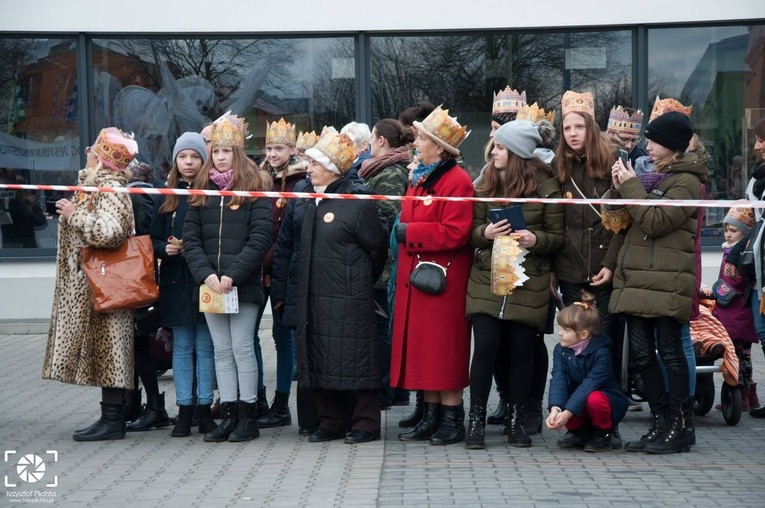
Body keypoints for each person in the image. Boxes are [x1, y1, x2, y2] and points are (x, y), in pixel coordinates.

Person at [610, 110, 706, 453]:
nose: (647, 146)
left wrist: (630, 185)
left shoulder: (687, 181)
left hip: (667, 281)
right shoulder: (657, 178)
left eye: (652, 140)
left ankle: (681, 427)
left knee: (669, 353)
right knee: (640, 355)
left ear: (671, 145)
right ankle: (661, 420)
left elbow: (654, 221)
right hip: (639, 278)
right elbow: (634, 220)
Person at [465, 120, 563, 449]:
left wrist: (536, 238)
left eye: (501, 147)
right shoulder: (484, 183)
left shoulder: (547, 187)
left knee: (522, 352)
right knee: (485, 350)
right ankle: (475, 421)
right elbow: (472, 232)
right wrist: (486, 234)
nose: (494, 151)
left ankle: (518, 421)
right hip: (487, 279)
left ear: (519, 153)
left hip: (529, 281)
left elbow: (557, 238)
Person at [43, 127, 139, 441]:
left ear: (102, 158)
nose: (87, 152)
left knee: (109, 350)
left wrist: (74, 216)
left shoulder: (110, 189)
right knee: (102, 350)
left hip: (104, 283)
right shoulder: (95, 186)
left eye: (93, 149)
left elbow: (110, 233)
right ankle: (110, 416)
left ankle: (114, 420)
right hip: (92, 284)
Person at [183, 113, 273, 443]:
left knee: (241, 347)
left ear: (238, 153)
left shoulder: (255, 187)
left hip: (242, 284)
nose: (220, 157)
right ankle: (230, 415)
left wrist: (232, 275)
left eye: (227, 151)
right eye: (216, 151)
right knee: (221, 350)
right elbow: (190, 238)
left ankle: (249, 416)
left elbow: (260, 238)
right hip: (210, 285)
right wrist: (206, 274)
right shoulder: (201, 190)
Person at [294, 132, 388, 444]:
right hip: (314, 293)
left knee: (356, 358)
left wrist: (356, 280)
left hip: (350, 296)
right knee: (320, 356)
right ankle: (330, 421)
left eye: (315, 163)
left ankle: (365, 423)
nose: (309, 169)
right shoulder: (311, 200)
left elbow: (377, 248)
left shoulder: (356, 202)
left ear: (334, 168)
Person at [391, 105, 474, 446]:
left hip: (443, 280)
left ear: (439, 148)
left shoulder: (457, 181)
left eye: (422, 138)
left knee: (444, 352)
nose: (416, 143)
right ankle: (432, 415)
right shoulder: (422, 175)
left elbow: (456, 231)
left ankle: (452, 420)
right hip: (421, 277)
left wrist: (409, 232)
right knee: (426, 351)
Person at [554, 90, 626, 428]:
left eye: (578, 126)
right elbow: (555, 222)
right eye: (567, 128)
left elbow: (622, 224)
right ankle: (576, 420)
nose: (572, 134)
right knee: (572, 350)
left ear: (591, 128)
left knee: (602, 348)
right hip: (570, 270)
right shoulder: (558, 167)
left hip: (603, 272)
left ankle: (606, 420)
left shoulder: (613, 163)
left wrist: (610, 265)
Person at [150, 132, 217, 437]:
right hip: (175, 281)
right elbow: (152, 239)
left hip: (203, 281)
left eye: (194, 157)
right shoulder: (167, 196)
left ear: (203, 160)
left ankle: (204, 409)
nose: (189, 162)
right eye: (183, 157)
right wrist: (166, 248)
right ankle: (183, 410)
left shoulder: (211, 192)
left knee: (205, 346)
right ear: (175, 161)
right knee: (181, 348)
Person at [255, 118, 307, 429]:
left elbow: (288, 233)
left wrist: (267, 263)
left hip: (280, 269)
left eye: (279, 148)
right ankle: (258, 397)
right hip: (257, 267)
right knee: (250, 337)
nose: (273, 154)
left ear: (291, 149)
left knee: (282, 336)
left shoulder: (299, 181)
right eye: (269, 147)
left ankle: (281, 401)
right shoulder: (260, 179)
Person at [359, 118, 412, 409]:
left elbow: (389, 217)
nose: (369, 144)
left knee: (383, 329)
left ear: (381, 141)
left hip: (387, 264)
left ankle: (385, 391)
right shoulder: (381, 169)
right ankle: (397, 389)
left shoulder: (390, 173)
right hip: (383, 263)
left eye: (372, 138)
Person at [547, 292, 630, 452]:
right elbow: (558, 378)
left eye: (566, 330)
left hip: (606, 399)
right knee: (563, 399)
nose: (560, 333)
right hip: (579, 399)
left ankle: (603, 435)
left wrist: (568, 413)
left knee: (595, 399)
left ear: (584, 334)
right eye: (561, 328)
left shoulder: (602, 352)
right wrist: (556, 408)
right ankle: (580, 434)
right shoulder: (560, 350)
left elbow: (589, 384)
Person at [124, 160, 170, 432]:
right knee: (136, 342)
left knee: (139, 342)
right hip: (138, 278)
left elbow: (142, 238)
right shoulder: (146, 194)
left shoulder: (138, 197)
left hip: (136, 279)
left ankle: (151, 405)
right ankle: (140, 404)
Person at [726, 117, 765, 417]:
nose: (756, 146)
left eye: (762, 139)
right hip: (759, 270)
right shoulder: (756, 181)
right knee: (762, 334)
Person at [702, 206, 758, 411]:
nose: (728, 233)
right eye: (726, 229)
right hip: (731, 313)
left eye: (733, 230)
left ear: (744, 233)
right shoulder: (728, 251)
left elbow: (743, 280)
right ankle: (749, 395)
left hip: (738, 315)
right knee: (742, 354)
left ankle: (741, 394)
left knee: (738, 355)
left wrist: (735, 277)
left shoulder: (743, 254)